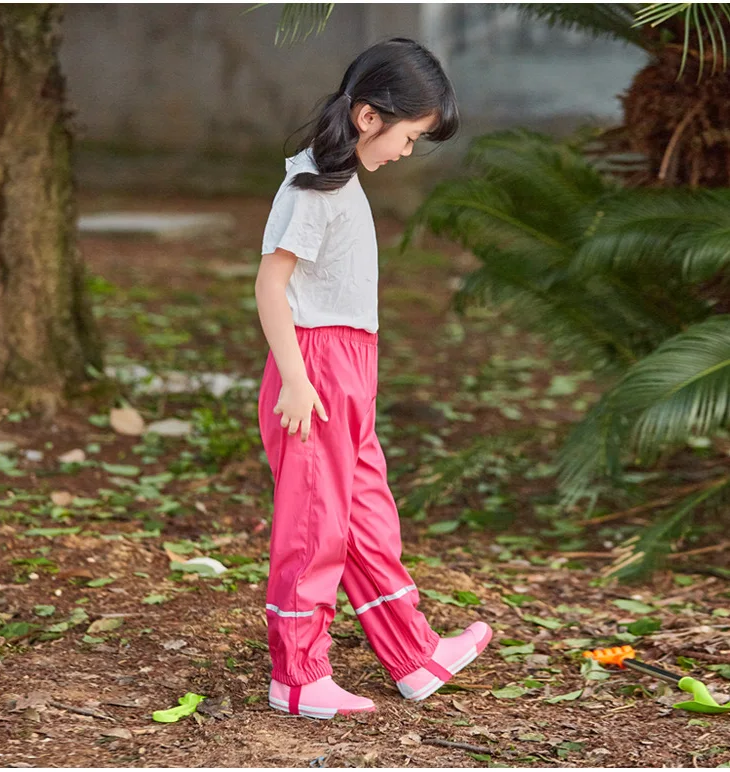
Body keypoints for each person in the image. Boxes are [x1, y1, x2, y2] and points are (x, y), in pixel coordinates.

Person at [255, 37, 492, 720]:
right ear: (368, 117)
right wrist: (298, 381)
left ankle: (413, 655)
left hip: (350, 369)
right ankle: (297, 676)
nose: (408, 151)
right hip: (315, 369)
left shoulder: (340, 182)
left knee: (366, 518)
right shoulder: (309, 188)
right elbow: (272, 286)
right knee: (316, 525)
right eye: (410, 136)